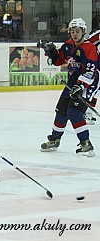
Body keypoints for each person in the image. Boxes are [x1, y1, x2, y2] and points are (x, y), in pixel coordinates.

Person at [37, 18, 98, 157]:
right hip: (73, 82)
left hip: (89, 83)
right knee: (61, 110)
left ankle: (86, 145)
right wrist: (51, 50)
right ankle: (55, 139)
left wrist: (81, 85)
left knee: (74, 112)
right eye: (72, 31)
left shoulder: (89, 48)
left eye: (77, 31)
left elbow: (91, 72)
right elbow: (59, 60)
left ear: (83, 32)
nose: (74, 34)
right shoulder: (69, 45)